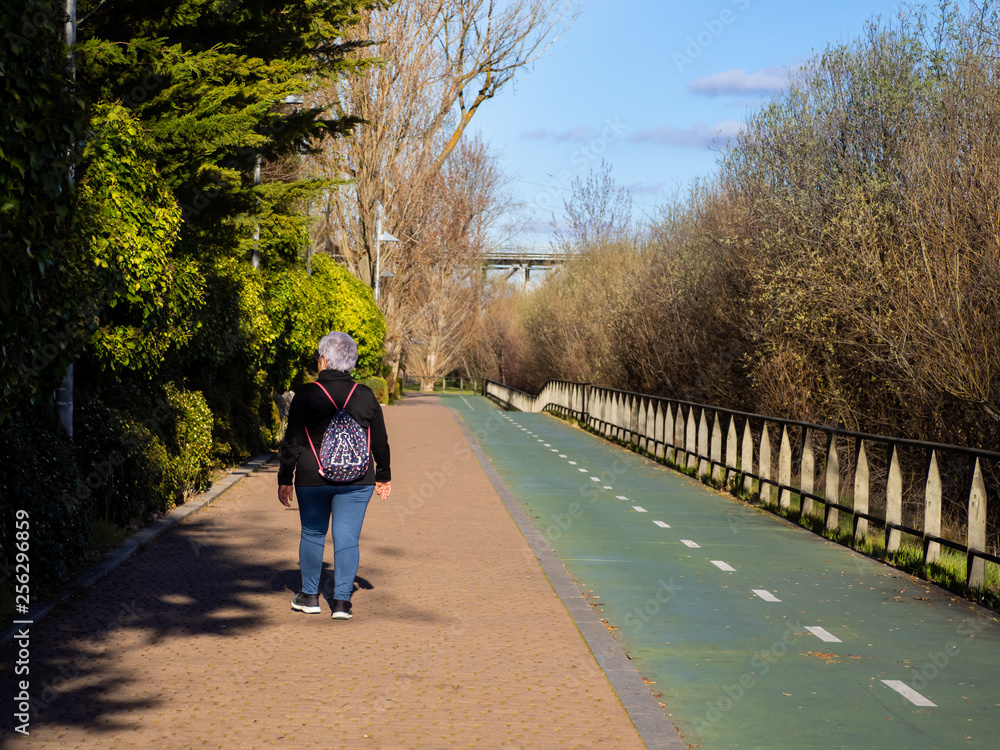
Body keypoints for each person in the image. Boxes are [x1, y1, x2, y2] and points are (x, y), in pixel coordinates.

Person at [278, 331, 391, 620]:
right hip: (358, 479)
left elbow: (292, 441)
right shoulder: (365, 395)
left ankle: (310, 596)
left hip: (311, 476)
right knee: (347, 539)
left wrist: (285, 478)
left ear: (325, 360)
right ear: (351, 362)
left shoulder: (305, 394)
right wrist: (383, 476)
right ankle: (341, 602)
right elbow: (379, 440)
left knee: (313, 533)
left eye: (319, 357)